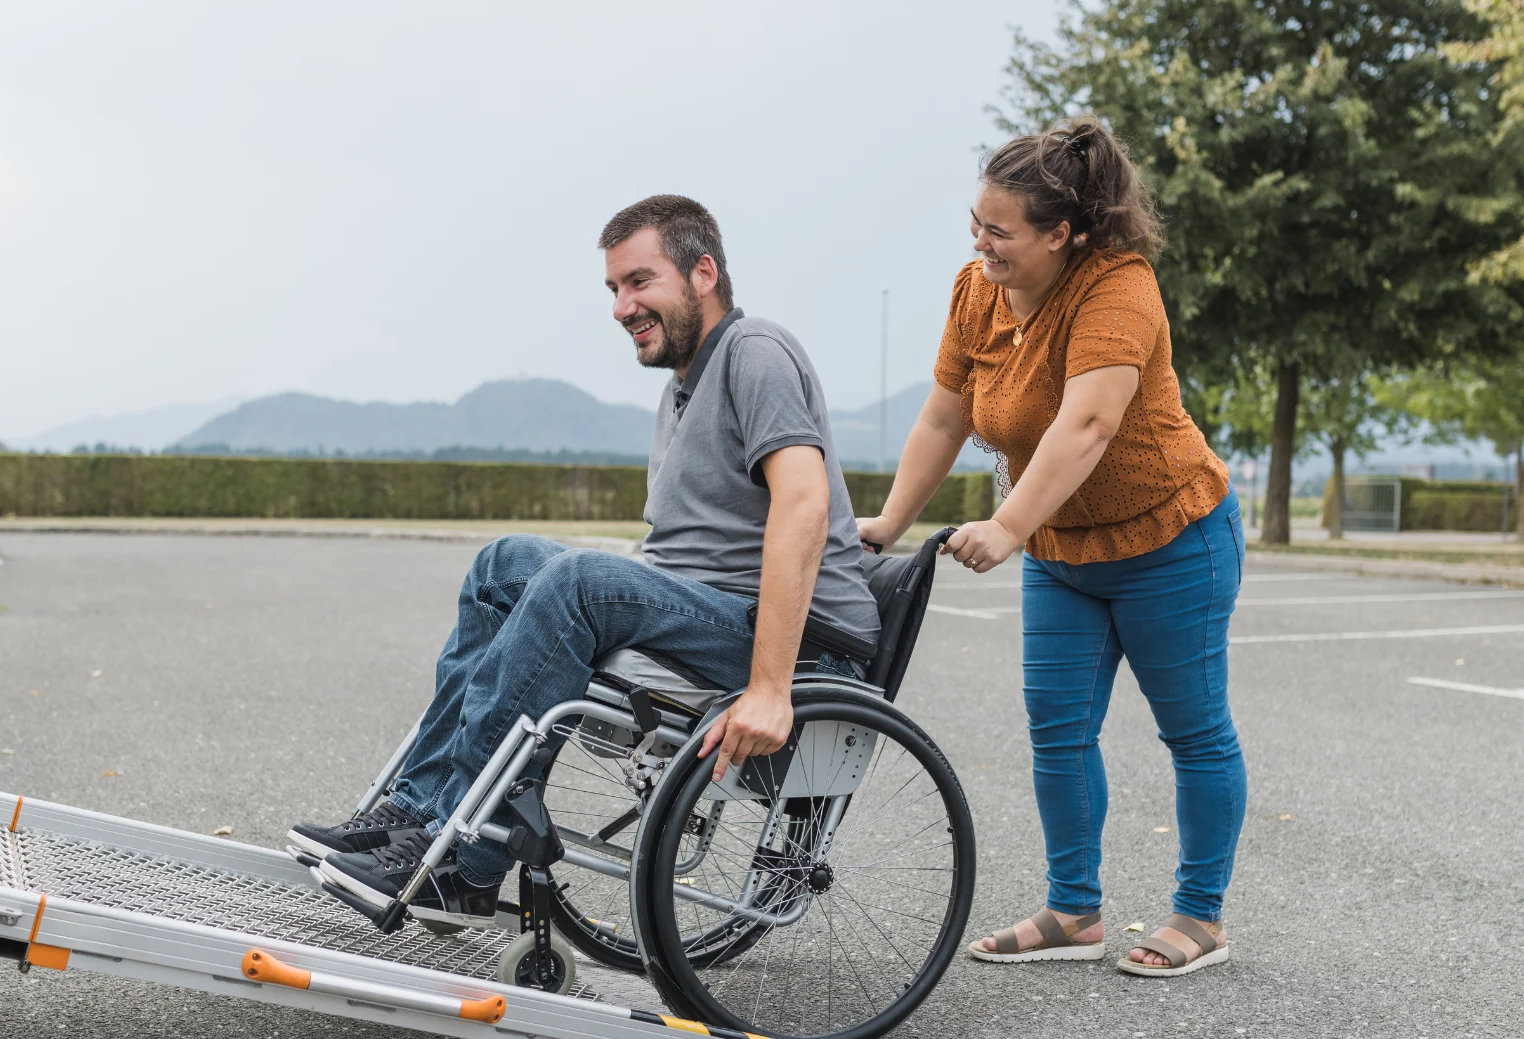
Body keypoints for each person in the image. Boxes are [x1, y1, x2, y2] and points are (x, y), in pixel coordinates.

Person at [290, 195, 878, 921]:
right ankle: (413, 812)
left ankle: (462, 856)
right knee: (503, 564)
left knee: (580, 582)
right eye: (613, 289)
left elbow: (804, 503)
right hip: (709, 612)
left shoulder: (755, 351)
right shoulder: (682, 387)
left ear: (703, 274)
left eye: (639, 281)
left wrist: (769, 689)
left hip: (803, 647)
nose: (621, 307)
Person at [857, 116, 1247, 977]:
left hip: (1172, 540)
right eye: (976, 222)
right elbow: (945, 416)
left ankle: (1201, 917)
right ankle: (1074, 912)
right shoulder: (975, 292)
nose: (980, 242)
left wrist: (1007, 525)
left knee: (1193, 733)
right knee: (1058, 730)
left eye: (1000, 230)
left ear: (1060, 233)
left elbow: (1090, 424)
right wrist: (887, 523)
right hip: (1066, 555)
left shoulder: (1119, 288)